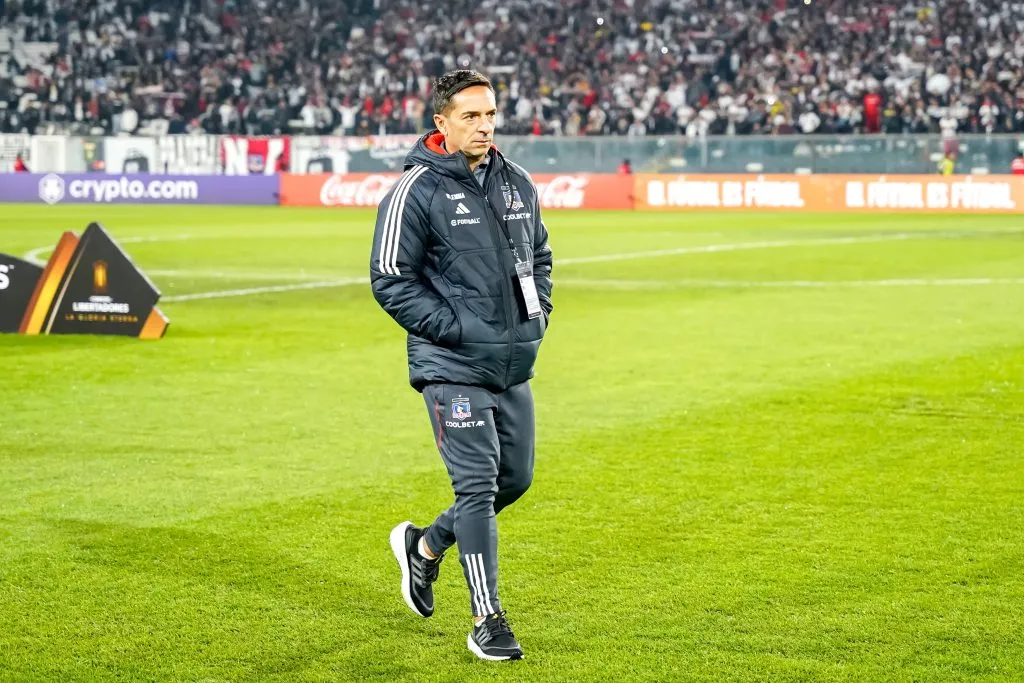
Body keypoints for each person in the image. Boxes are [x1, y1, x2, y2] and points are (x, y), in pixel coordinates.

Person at [369, 69, 553, 662]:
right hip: (451, 364)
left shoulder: (517, 182)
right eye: (471, 116)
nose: (485, 125)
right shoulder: (414, 191)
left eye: (491, 114)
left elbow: (541, 256)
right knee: (475, 488)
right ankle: (487, 619)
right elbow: (390, 280)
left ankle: (425, 547)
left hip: (511, 362)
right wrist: (458, 331)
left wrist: (537, 316)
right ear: (441, 123)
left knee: (514, 481)